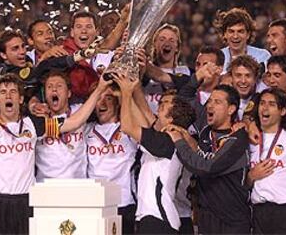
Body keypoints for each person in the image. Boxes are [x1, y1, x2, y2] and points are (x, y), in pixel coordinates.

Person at [0, 72, 111, 234]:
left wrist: (100, 88)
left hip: (26, 202)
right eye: (3, 92)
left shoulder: (34, 125)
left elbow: (74, 122)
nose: (8, 95)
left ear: (21, 99)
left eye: (13, 92)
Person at [116, 73, 196, 234]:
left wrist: (125, 92)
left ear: (172, 116)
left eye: (166, 104)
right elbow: (144, 120)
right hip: (153, 217)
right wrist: (132, 91)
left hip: (159, 219)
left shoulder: (167, 141)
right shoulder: (165, 139)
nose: (160, 104)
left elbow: (127, 126)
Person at [166, 85, 251, 234]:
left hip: (232, 220)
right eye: (210, 101)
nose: (210, 105)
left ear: (231, 109)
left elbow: (207, 167)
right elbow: (200, 154)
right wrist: (186, 138)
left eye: (217, 102)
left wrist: (179, 142)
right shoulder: (205, 133)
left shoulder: (237, 139)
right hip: (207, 216)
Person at [247, 88, 286, 234]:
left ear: (283, 111)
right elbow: (241, 182)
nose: (265, 108)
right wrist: (251, 176)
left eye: (271, 104)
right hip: (258, 211)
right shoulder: (250, 138)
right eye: (262, 103)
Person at [85, 86, 138, 234]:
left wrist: (124, 95)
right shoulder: (86, 130)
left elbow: (148, 128)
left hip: (124, 202)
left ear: (117, 103)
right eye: (98, 99)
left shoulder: (129, 129)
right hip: (96, 203)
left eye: (108, 99)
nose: (102, 104)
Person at [35, 70, 87, 181]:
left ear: (68, 93)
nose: (54, 89)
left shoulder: (81, 110)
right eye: (49, 87)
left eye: (59, 86)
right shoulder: (37, 119)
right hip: (46, 189)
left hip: (77, 187)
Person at [144, 24, 191, 113]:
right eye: (162, 39)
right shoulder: (143, 73)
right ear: (155, 44)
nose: (167, 43)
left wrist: (144, 62)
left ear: (177, 48)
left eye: (172, 40)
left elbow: (159, 76)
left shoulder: (187, 72)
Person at [213, 7, 270, 73]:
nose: (235, 36)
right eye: (231, 31)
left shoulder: (262, 56)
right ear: (225, 34)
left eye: (240, 31)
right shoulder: (216, 58)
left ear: (248, 34)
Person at [227, 55, 260, 120]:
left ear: (255, 78)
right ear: (231, 78)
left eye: (248, 76)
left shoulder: (263, 100)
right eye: (238, 75)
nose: (243, 81)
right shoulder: (223, 100)